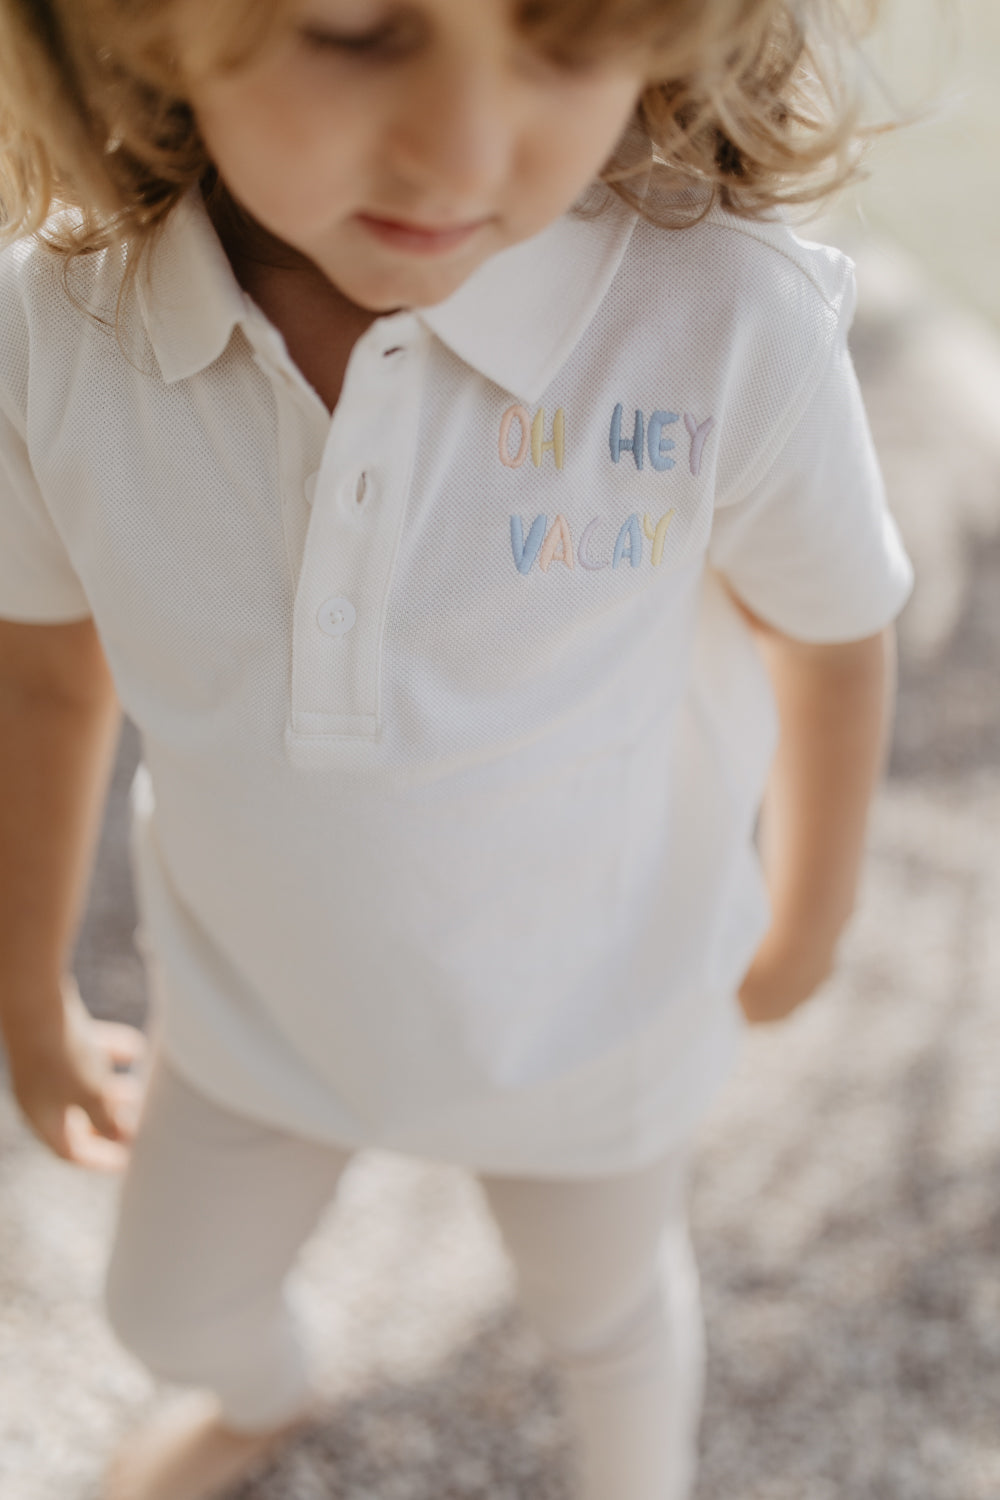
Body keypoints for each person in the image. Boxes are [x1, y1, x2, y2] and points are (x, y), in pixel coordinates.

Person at [0, 0, 913, 1496]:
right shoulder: (56, 330)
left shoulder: (716, 319)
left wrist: (811, 913)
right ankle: (264, 1395)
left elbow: (833, 622)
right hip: (252, 1017)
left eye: (564, 40)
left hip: (588, 1027)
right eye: (355, 26)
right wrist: (29, 983)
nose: (464, 149)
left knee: (607, 1326)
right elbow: (42, 670)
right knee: (163, 1309)